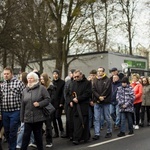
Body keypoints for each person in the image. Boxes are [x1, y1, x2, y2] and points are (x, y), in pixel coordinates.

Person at [20, 72, 50, 150]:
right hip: (27, 117)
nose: (29, 80)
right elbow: (22, 105)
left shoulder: (41, 88)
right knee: (25, 136)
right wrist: (22, 118)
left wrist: (40, 104)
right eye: (28, 78)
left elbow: (48, 99)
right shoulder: (25, 90)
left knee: (38, 137)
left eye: (31, 78)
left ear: (36, 79)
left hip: (38, 117)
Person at [0, 67, 25, 150]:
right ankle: (10, 146)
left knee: (12, 131)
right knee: (6, 131)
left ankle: (12, 148)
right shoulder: (2, 85)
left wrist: (23, 110)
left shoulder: (19, 83)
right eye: (4, 74)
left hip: (15, 111)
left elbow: (24, 97)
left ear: (12, 74)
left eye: (7, 74)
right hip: (5, 111)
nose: (6, 75)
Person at [70, 70, 92, 145]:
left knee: (83, 121)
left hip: (83, 105)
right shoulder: (74, 83)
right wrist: (72, 100)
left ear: (81, 75)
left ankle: (79, 137)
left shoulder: (87, 83)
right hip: (76, 105)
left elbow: (88, 93)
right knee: (77, 122)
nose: (76, 78)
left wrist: (78, 99)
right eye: (75, 77)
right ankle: (80, 137)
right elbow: (72, 92)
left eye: (77, 76)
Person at [16, 72, 35, 149]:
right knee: (27, 127)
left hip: (26, 109)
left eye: (20, 77)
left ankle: (19, 143)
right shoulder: (23, 86)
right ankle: (32, 140)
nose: (19, 78)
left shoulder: (25, 87)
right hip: (23, 108)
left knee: (23, 127)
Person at [92, 67, 112, 140]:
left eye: (101, 71)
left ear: (103, 72)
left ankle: (109, 131)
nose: (99, 72)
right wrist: (98, 97)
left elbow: (108, 89)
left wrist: (102, 97)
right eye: (98, 71)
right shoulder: (95, 80)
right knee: (97, 118)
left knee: (107, 117)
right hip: (97, 101)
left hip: (105, 101)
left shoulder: (107, 80)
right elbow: (93, 89)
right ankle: (97, 133)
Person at [40, 73, 56, 147]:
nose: (41, 80)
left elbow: (52, 98)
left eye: (42, 79)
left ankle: (49, 141)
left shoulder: (51, 87)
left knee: (48, 125)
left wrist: (44, 102)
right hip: (41, 108)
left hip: (48, 108)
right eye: (41, 79)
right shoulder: (40, 87)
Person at [52, 69, 65, 138]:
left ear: (58, 74)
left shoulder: (62, 83)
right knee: (53, 118)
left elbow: (63, 94)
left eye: (56, 74)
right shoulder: (51, 83)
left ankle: (61, 130)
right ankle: (56, 132)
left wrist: (61, 102)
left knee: (58, 116)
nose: (55, 75)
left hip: (59, 102)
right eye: (54, 74)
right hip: (52, 103)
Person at [64, 69, 75, 139]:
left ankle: (73, 134)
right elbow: (65, 93)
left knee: (73, 120)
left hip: (75, 102)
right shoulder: (68, 82)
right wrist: (69, 101)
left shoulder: (75, 82)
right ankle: (69, 133)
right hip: (68, 103)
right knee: (68, 119)